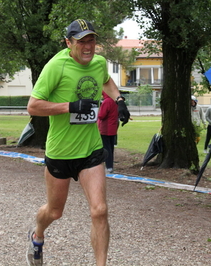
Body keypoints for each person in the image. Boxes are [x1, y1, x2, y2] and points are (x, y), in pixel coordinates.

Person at [25, 19, 130, 266]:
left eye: (91, 40)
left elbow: (106, 80)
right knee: (54, 212)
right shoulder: (56, 67)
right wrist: (70, 106)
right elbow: (33, 106)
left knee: (100, 210)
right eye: (81, 41)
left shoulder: (99, 62)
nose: (87, 46)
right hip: (61, 152)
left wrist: (119, 99)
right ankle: (37, 235)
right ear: (68, 42)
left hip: (90, 150)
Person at [97, 91, 119, 174]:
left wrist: (99, 110)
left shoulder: (107, 101)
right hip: (113, 128)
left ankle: (108, 167)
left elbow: (101, 115)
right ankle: (110, 166)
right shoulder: (115, 101)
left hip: (106, 128)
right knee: (110, 147)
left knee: (106, 148)